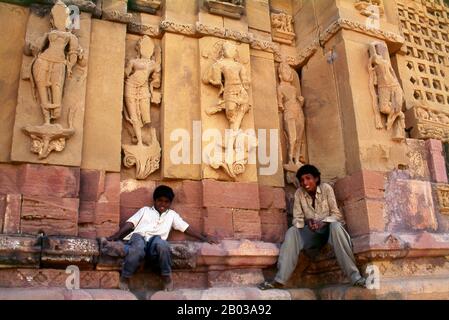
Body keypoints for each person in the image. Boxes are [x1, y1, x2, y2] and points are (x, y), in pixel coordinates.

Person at [258, 165, 366, 290]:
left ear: (316, 178)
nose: (305, 182)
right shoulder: (299, 193)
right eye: (302, 180)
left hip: (329, 232)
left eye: (308, 178)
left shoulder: (326, 189)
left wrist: (323, 222)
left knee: (336, 226)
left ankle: (355, 278)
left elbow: (336, 215)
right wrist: (307, 222)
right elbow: (296, 219)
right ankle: (279, 280)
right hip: (311, 235)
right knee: (292, 231)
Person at [101, 185, 218, 291]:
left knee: (163, 245)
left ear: (170, 203)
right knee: (137, 249)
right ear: (155, 201)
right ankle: (125, 277)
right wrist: (116, 236)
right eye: (160, 201)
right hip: (139, 237)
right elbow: (130, 224)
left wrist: (203, 238)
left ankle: (166, 276)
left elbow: (186, 228)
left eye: (166, 202)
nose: (163, 204)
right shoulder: (145, 210)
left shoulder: (172, 215)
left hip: (155, 241)